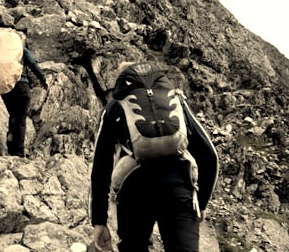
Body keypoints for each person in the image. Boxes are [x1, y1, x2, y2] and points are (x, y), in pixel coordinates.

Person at [89, 62, 217, 252]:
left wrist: (99, 220)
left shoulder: (115, 106)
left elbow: (101, 166)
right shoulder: (175, 100)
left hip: (134, 191)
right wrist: (202, 202)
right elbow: (209, 155)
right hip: (179, 189)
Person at [0, 43, 48, 157]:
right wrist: (43, 79)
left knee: (13, 116)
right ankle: (19, 153)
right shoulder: (20, 49)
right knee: (20, 120)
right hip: (21, 87)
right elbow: (33, 64)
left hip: (6, 89)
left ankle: (11, 148)